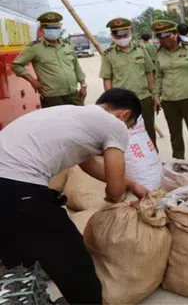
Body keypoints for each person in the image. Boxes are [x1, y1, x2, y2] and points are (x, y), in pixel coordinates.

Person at [0, 88, 148, 305]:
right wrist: (115, 200)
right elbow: (115, 189)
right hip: (21, 189)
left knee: (21, 267)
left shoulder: (73, 116)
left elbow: (87, 165)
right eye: (128, 124)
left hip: (7, 192)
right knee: (75, 267)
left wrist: (133, 184)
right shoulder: (114, 124)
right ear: (124, 115)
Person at [152, 19, 188, 161]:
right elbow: (158, 76)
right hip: (169, 100)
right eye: (160, 37)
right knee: (175, 134)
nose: (163, 40)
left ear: (175, 34)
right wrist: (157, 96)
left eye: (166, 36)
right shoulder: (159, 53)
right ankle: (178, 160)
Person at [99, 17, 157, 146]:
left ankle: (153, 158)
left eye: (125, 35)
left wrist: (153, 93)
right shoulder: (108, 55)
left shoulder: (141, 50)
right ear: (113, 36)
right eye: (118, 36)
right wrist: (110, 102)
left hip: (144, 98)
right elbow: (107, 79)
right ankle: (131, 162)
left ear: (130, 33)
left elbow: (149, 73)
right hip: (122, 102)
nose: (122, 38)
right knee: (125, 133)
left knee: (148, 131)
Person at [11, 11, 87, 107]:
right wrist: (33, 81)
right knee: (56, 122)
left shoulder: (67, 46)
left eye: (56, 28)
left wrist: (83, 86)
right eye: (50, 28)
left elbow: (76, 67)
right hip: (52, 97)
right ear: (42, 30)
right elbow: (16, 65)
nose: (54, 31)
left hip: (72, 94)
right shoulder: (34, 48)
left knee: (78, 120)